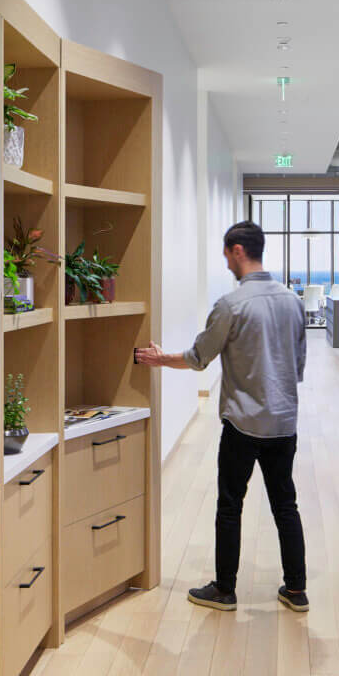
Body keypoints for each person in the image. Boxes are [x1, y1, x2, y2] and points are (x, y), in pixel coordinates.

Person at [136, 221, 308, 613]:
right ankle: (296, 590)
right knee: (286, 504)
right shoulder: (292, 300)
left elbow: (199, 358)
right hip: (284, 423)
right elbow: (297, 367)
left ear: (236, 251)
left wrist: (161, 359)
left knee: (230, 504)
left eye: (226, 254)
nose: (226, 261)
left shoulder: (232, 305)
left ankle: (225, 590)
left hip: (244, 424)